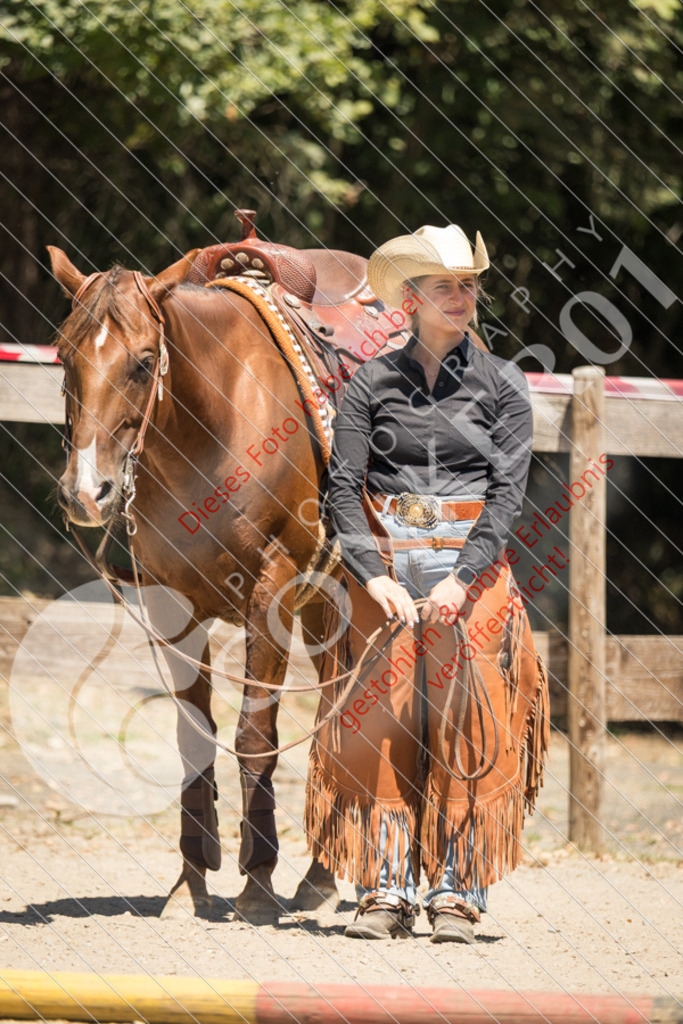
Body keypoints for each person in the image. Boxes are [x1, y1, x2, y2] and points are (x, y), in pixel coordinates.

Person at [304, 224, 549, 943]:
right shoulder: (370, 384)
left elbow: (507, 495)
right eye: (445, 285)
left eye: (468, 285)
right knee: (378, 723)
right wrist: (370, 574)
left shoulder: (503, 384)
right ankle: (384, 890)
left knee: (468, 720)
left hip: (469, 578)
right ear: (409, 299)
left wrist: (462, 578)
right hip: (382, 577)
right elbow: (342, 488)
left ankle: (455, 892)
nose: (461, 296)